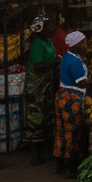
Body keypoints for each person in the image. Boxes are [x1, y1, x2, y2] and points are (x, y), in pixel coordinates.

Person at [22, 15, 58, 165]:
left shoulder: (48, 41)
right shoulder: (37, 44)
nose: (53, 27)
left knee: (45, 117)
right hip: (36, 87)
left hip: (46, 85)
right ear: (41, 28)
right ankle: (34, 155)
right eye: (50, 25)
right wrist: (55, 62)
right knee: (35, 118)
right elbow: (37, 66)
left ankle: (42, 152)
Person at [54, 30, 89, 176]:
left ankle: (59, 165)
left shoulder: (68, 56)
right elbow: (82, 83)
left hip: (63, 97)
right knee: (73, 132)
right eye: (84, 42)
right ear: (77, 44)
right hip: (71, 100)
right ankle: (71, 168)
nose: (86, 44)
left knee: (62, 131)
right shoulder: (74, 61)